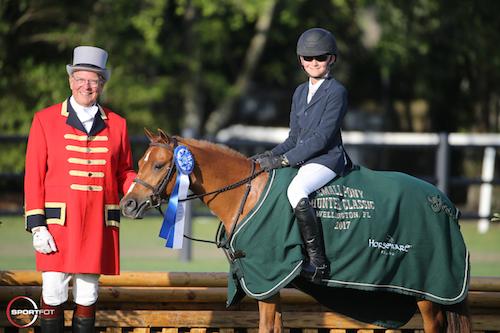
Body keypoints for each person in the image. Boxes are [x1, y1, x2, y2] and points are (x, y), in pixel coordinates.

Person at [24, 46, 136, 333]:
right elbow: (34, 175)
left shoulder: (119, 124)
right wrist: (37, 226)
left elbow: (124, 170)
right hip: (57, 223)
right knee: (53, 291)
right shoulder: (45, 119)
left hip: (98, 222)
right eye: (82, 79)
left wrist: (136, 187)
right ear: (71, 81)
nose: (87, 86)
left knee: (88, 293)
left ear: (102, 84)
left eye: (94, 81)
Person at [253, 28, 352, 282]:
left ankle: (318, 262)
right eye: (308, 58)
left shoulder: (336, 92)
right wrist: (267, 156)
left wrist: (285, 161)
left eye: (320, 57)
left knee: (295, 190)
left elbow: (322, 138)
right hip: (304, 157)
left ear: (331, 59)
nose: (314, 63)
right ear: (301, 60)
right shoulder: (299, 92)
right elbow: (294, 138)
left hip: (326, 159)